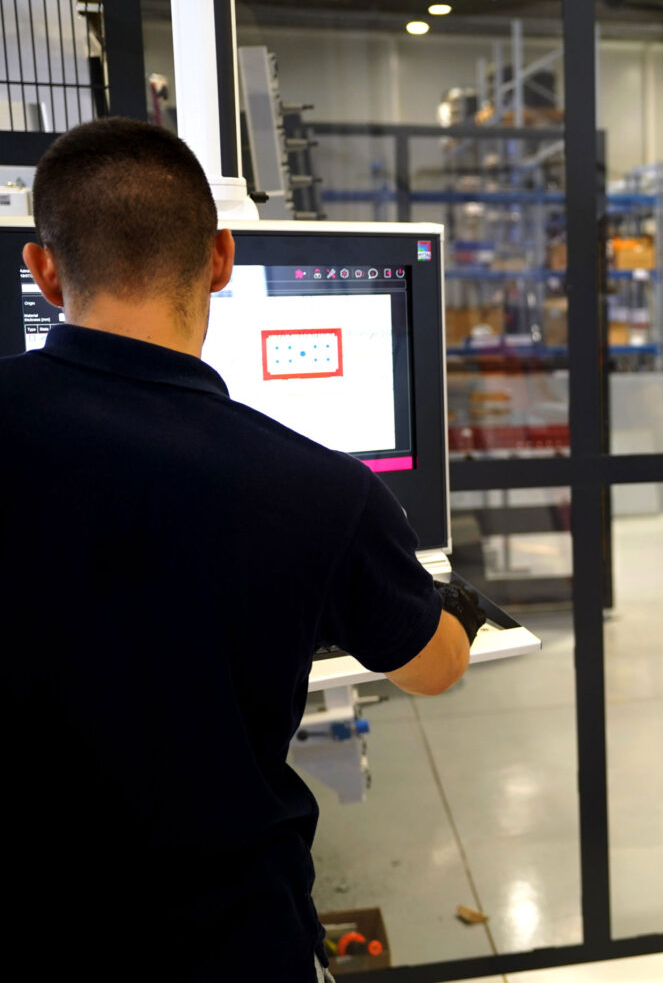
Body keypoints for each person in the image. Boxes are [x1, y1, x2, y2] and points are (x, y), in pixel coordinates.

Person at [0, 119, 477, 980]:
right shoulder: (319, 490)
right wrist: (448, 606)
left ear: (42, 268)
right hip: (222, 941)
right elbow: (434, 667)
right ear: (221, 257)